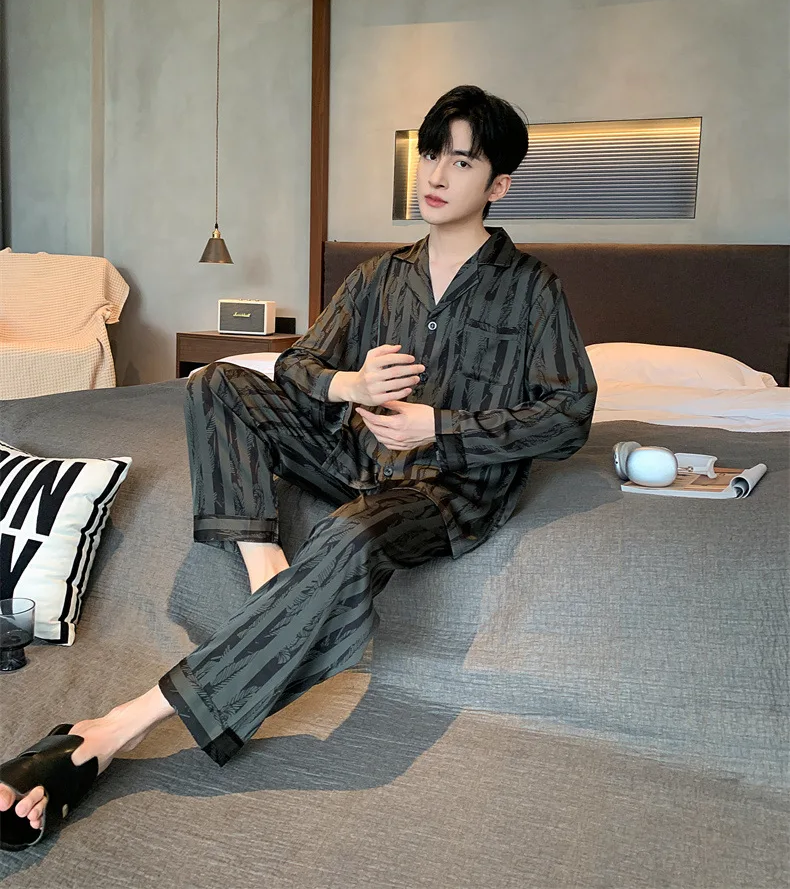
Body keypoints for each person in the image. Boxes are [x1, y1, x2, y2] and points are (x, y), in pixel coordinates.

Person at [0, 84, 596, 845]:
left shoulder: (533, 289)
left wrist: (439, 427)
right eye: (429, 155)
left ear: (498, 185)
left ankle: (114, 727)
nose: (434, 174)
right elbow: (298, 363)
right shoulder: (378, 277)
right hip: (355, 455)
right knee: (216, 381)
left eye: (461, 161)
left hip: (446, 488)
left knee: (347, 534)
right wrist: (351, 385)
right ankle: (267, 571)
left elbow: (569, 415)